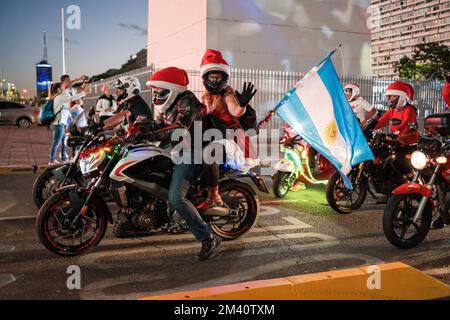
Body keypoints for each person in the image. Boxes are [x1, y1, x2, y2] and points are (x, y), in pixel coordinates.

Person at [144, 67, 222, 261]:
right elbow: (159, 124)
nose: (155, 93)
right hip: (174, 149)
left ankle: (208, 237)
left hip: (192, 153)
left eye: (158, 89)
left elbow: (178, 128)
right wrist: (139, 128)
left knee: (176, 197)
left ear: (170, 88)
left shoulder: (188, 103)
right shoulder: (170, 104)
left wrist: (149, 134)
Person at [197, 49, 258, 211]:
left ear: (224, 78)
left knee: (208, 155)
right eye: (212, 76)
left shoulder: (227, 94)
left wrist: (243, 104)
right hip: (212, 136)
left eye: (218, 77)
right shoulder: (205, 97)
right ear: (206, 78)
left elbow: (235, 111)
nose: (215, 80)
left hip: (229, 139)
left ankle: (214, 196)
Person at [49, 83, 86, 165]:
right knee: (56, 142)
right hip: (58, 124)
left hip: (61, 123)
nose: (64, 89)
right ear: (58, 90)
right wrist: (83, 93)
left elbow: (66, 108)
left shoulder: (58, 98)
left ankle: (64, 158)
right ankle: (51, 160)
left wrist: (73, 110)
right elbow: (72, 98)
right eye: (62, 88)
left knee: (63, 141)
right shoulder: (59, 97)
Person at [374, 81, 419, 146]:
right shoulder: (391, 111)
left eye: (394, 96)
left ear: (402, 98)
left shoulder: (409, 110)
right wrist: (369, 127)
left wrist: (393, 135)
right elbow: (379, 122)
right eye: (389, 97)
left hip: (409, 144)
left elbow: (405, 125)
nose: (391, 99)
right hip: (395, 143)